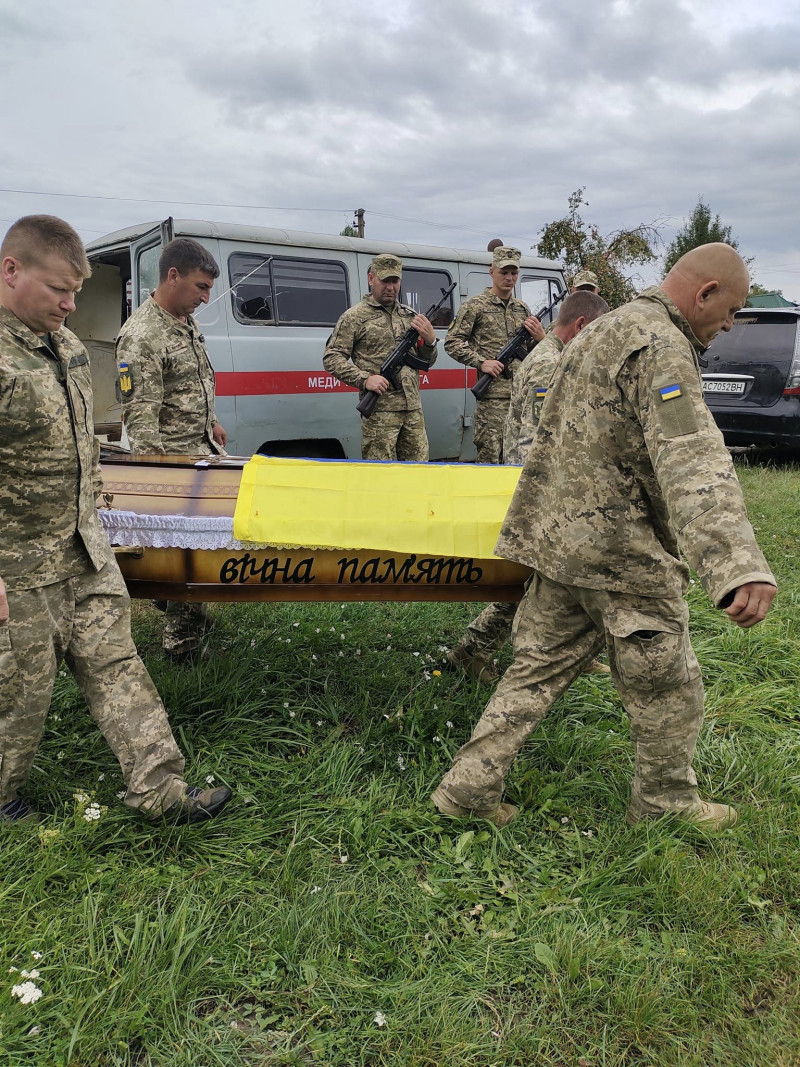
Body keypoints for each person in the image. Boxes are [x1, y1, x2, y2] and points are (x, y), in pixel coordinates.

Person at [432, 244, 776, 831]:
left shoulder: (601, 329)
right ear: (706, 292)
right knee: (669, 687)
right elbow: (691, 455)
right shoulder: (662, 344)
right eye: (731, 309)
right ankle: (665, 807)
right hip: (622, 555)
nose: (730, 325)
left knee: (531, 673)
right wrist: (736, 562)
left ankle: (467, 790)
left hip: (562, 543)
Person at [0, 215, 231, 824]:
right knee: (19, 690)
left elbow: (83, 442)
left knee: (117, 662)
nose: (71, 305)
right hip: (16, 564)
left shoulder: (68, 346)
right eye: (58, 291)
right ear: (11, 270)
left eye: (76, 292)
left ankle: (162, 790)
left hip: (83, 547)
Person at [446, 291, 610, 683]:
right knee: (534, 578)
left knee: (563, 577)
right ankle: (473, 649)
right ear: (582, 327)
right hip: (537, 491)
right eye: (597, 333)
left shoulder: (551, 357)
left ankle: (571, 650)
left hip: (543, 488)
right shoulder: (548, 365)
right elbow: (533, 440)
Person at [116, 238, 227, 660]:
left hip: (198, 451)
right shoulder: (143, 335)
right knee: (189, 548)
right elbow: (141, 416)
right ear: (172, 276)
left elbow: (186, 383)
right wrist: (157, 479)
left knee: (200, 546)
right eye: (200, 287)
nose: (205, 297)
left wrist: (209, 420)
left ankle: (182, 609)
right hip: (173, 464)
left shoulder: (182, 319)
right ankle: (181, 646)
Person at [323, 254, 437, 461]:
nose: (390, 287)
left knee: (419, 473)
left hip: (413, 410)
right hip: (379, 412)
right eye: (385, 281)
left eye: (395, 281)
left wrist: (430, 342)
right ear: (371, 279)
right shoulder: (354, 317)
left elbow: (426, 361)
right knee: (379, 475)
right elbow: (332, 357)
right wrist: (365, 379)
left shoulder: (411, 316)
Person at [445, 246, 545, 464]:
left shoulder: (523, 309)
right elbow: (452, 342)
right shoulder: (475, 306)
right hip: (492, 401)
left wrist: (540, 338)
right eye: (504, 272)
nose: (509, 278)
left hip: (521, 398)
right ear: (492, 272)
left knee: (522, 458)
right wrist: (481, 363)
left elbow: (532, 354)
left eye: (514, 273)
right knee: (490, 461)